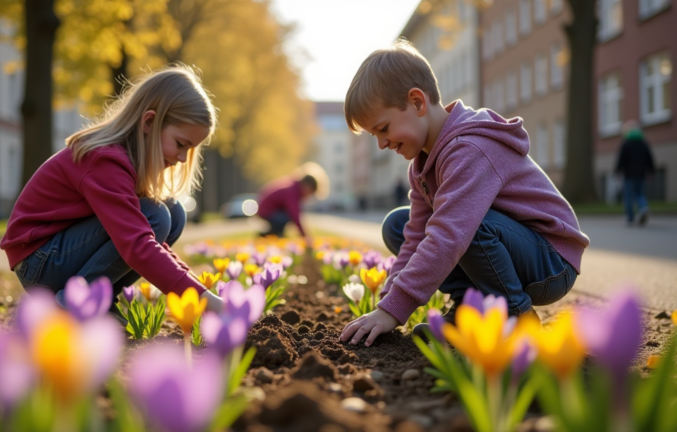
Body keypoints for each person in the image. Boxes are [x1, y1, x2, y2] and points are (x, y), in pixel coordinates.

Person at [339, 40, 589, 347]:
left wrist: (394, 310)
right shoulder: (421, 166)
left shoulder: (470, 148)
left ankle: (517, 319)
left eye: (383, 128)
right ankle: (468, 310)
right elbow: (417, 235)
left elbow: (451, 234)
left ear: (417, 102)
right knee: (398, 226)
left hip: (550, 261)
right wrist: (388, 306)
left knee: (465, 226)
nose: (381, 143)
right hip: (508, 248)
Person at [0, 65, 223, 317]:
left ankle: (99, 301)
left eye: (190, 149)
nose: (183, 158)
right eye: (181, 144)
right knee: (157, 215)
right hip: (38, 261)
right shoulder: (105, 160)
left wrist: (201, 292)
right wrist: (205, 300)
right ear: (149, 121)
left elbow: (148, 241)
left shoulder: (126, 160)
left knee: (173, 213)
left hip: (57, 254)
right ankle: (71, 307)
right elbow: (137, 243)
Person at [256, 173, 317, 244]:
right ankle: (267, 236)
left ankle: (275, 235)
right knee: (286, 218)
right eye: (310, 192)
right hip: (266, 210)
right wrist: (305, 236)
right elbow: (294, 214)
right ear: (306, 186)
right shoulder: (292, 191)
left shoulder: (293, 187)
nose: (308, 195)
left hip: (269, 209)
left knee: (284, 218)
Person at [615, 120, 655, 226]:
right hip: (641, 174)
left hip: (629, 174)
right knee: (640, 193)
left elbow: (621, 159)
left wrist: (618, 171)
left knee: (628, 195)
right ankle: (643, 208)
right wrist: (651, 171)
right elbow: (649, 158)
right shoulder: (643, 143)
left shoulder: (626, 143)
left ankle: (630, 217)